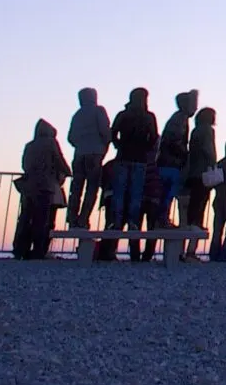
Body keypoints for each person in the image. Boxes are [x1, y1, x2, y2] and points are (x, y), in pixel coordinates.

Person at [106, 88, 158, 252]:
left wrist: (119, 145)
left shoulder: (123, 115)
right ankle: (133, 223)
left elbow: (113, 133)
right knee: (135, 193)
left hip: (123, 157)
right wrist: (146, 149)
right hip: (140, 159)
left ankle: (116, 221)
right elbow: (154, 136)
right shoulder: (148, 116)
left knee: (120, 193)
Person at [12, 119, 68, 260]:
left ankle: (20, 249)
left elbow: (25, 165)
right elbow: (59, 160)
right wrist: (68, 171)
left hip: (29, 186)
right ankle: (38, 250)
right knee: (42, 219)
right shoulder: (50, 143)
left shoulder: (29, 145)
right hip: (45, 185)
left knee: (25, 217)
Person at [65, 87, 110, 228]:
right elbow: (106, 132)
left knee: (76, 188)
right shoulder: (99, 111)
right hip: (95, 154)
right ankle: (83, 219)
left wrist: (80, 145)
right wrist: (103, 148)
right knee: (91, 189)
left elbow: (70, 137)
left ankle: (72, 219)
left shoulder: (77, 115)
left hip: (79, 155)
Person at [157, 90, 198, 228]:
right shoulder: (180, 119)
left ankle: (162, 219)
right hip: (171, 163)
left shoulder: (177, 118)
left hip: (167, 162)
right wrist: (184, 155)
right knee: (167, 193)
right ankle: (162, 219)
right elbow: (174, 141)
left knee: (165, 193)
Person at [183, 107, 218, 260]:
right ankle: (192, 249)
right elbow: (208, 150)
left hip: (192, 172)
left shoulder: (195, 130)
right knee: (199, 207)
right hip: (203, 173)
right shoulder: (208, 131)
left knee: (192, 207)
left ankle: (187, 247)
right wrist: (213, 164)